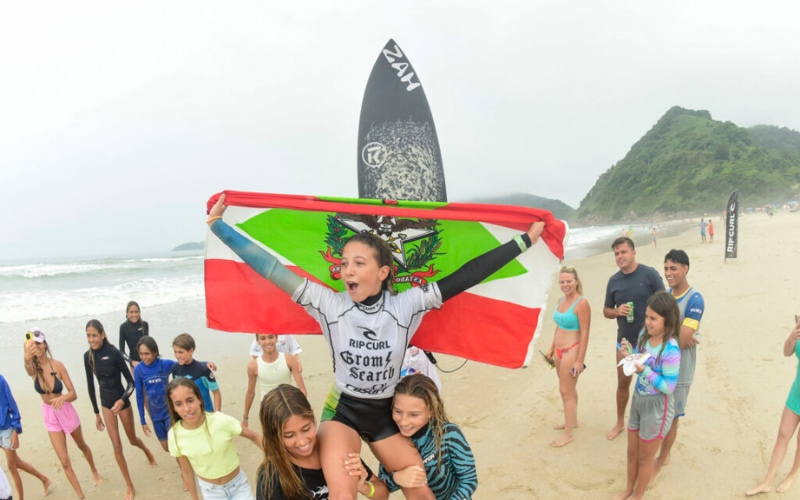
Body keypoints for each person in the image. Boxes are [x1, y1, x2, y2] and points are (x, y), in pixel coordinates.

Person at [207, 192, 545, 500]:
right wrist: (220, 228)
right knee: (343, 495)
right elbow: (271, 268)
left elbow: (466, 276)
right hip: (343, 411)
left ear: (383, 271)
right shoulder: (329, 304)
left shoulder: (407, 305)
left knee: (419, 485)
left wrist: (523, 242)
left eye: (358, 262)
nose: (346, 270)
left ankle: (395, 476)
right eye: (343, 263)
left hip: (386, 413)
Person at [256, 384, 388, 499]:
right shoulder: (272, 476)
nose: (302, 442)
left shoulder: (333, 447)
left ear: (312, 417)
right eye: (289, 436)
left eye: (306, 429)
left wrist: (364, 487)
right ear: (274, 436)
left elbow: (383, 494)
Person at [613, 292, 681, 500]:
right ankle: (628, 489)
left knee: (645, 458)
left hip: (657, 408)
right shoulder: (644, 336)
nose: (648, 322)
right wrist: (629, 355)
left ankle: (638, 495)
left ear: (667, 320)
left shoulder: (671, 350)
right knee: (632, 453)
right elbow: (640, 362)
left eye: (653, 318)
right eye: (647, 317)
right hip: (638, 401)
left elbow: (668, 387)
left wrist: (643, 370)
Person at [23, 327, 100, 499]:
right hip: (50, 415)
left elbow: (73, 393)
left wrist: (63, 398)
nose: (37, 347)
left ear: (45, 344)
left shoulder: (57, 365)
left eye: (39, 343)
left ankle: (93, 469)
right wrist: (25, 356)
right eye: (33, 344)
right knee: (64, 461)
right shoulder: (33, 368)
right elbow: (28, 368)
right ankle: (82, 497)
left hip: (65, 410)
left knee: (81, 445)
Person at [84, 319, 156, 500]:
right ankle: (129, 486)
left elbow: (131, 383)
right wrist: (96, 412)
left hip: (121, 401)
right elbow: (91, 386)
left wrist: (122, 400)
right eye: (88, 336)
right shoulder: (88, 356)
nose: (91, 339)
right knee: (116, 446)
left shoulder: (114, 353)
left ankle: (146, 451)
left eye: (94, 335)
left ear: (102, 334)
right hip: (105, 404)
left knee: (131, 439)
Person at [603, 237, 665, 440]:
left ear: (633, 252)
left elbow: (665, 305)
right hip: (625, 343)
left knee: (652, 385)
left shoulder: (649, 275)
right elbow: (605, 311)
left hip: (651, 343)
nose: (620, 256)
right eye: (617, 254)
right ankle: (620, 422)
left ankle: (654, 425)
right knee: (623, 383)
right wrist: (616, 311)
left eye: (623, 252)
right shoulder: (614, 281)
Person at [378, 374, 478, 498]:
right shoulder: (392, 441)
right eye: (398, 411)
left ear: (431, 411)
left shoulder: (449, 434)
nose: (403, 422)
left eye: (413, 415)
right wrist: (396, 478)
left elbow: (469, 480)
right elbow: (383, 485)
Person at [653, 250, 704, 479]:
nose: (668, 273)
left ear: (686, 269)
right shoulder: (664, 295)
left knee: (672, 415)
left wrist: (671, 336)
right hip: (660, 364)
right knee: (659, 410)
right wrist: (677, 334)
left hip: (681, 370)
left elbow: (684, 339)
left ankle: (662, 459)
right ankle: (662, 453)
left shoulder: (695, 299)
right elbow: (654, 329)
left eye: (673, 268)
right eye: (665, 268)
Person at [167, 378, 262, 500]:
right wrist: (194, 498)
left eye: (190, 400)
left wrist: (277, 460)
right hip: (211, 492)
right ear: (173, 407)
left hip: (238, 486)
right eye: (178, 404)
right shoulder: (174, 435)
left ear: (199, 399)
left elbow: (254, 436)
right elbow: (187, 471)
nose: (186, 409)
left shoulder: (220, 421)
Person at [746, 318, 800, 496]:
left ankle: (792, 474)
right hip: (796, 393)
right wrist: (792, 338)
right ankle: (767, 482)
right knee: (783, 435)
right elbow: (787, 352)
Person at [546, 266, 590, 447]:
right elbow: (558, 326)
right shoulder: (560, 300)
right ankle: (573, 420)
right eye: (562, 281)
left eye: (569, 281)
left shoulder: (581, 303)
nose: (565, 284)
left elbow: (585, 333)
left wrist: (580, 360)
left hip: (572, 350)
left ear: (576, 281)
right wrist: (551, 347)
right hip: (558, 350)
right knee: (569, 389)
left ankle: (568, 434)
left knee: (565, 392)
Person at [0, 373, 51, 500]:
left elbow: (12, 403)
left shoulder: (0, 380)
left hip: (6, 428)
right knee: (17, 463)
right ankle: (44, 479)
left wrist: (16, 429)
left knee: (12, 466)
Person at [243, 334, 307, 428]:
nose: (268, 341)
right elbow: (250, 393)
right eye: (263, 338)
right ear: (258, 341)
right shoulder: (253, 366)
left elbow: (302, 389)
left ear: (276, 338)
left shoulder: (289, 359)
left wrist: (302, 410)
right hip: (267, 408)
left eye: (271, 337)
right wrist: (245, 418)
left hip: (287, 406)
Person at [134, 336, 177, 452]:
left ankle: (185, 469)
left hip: (169, 413)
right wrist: (143, 420)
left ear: (155, 352)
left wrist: (206, 364)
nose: (144, 357)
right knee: (167, 448)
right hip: (155, 416)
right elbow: (139, 396)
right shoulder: (139, 370)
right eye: (141, 354)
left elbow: (185, 364)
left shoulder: (165, 364)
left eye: (147, 354)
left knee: (175, 447)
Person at [171, 333, 221, 412]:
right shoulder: (175, 370)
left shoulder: (204, 370)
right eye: (175, 352)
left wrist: (217, 414)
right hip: (188, 415)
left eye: (180, 352)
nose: (177, 356)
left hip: (206, 414)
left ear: (191, 351)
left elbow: (216, 393)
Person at [119, 301, 149, 368]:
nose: (134, 315)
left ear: (139, 312)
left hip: (147, 361)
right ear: (127, 313)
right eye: (131, 312)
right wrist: (131, 362)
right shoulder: (123, 327)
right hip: (134, 363)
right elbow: (121, 351)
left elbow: (149, 345)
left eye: (136, 312)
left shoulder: (144, 325)